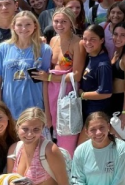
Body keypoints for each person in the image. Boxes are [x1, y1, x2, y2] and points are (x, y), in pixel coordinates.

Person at [0, 11, 53, 120]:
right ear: (13, 26)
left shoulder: (44, 49)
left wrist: (47, 112)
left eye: (28, 24)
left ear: (35, 25)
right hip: (9, 109)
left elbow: (46, 83)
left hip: (35, 109)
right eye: (19, 25)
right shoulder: (3, 48)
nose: (24, 28)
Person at [44, 8, 86, 156]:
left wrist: (49, 77)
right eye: (56, 21)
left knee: (67, 135)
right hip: (50, 91)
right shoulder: (53, 40)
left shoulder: (78, 43)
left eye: (63, 21)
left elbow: (76, 75)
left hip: (67, 92)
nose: (59, 24)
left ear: (71, 23)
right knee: (50, 132)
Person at [7, 108, 69, 185]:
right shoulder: (13, 149)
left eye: (36, 129)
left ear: (42, 128)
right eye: (25, 129)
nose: (29, 134)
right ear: (17, 127)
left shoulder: (50, 150)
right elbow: (8, 180)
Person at [71, 112, 125, 185]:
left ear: (108, 127)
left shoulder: (121, 148)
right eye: (93, 129)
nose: (98, 132)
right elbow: (77, 181)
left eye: (101, 127)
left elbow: (119, 181)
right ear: (86, 132)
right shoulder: (80, 151)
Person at [80, 24, 113, 117]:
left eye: (92, 39)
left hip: (97, 113)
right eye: (85, 39)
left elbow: (105, 93)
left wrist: (82, 95)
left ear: (102, 40)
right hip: (86, 110)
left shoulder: (103, 64)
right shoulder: (90, 56)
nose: (87, 42)